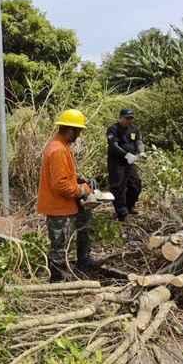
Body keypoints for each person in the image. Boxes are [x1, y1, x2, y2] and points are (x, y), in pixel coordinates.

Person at [37, 109, 97, 282]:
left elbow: (63, 176)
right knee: (59, 248)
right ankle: (57, 282)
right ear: (70, 130)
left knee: (64, 243)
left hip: (62, 205)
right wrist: (83, 190)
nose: (78, 135)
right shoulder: (59, 150)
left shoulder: (60, 146)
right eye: (78, 131)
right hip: (59, 207)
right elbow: (61, 185)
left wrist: (79, 180)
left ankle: (71, 270)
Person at [106, 109, 145, 221]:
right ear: (121, 118)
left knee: (135, 184)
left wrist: (141, 151)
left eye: (131, 118)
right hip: (116, 162)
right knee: (118, 187)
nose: (129, 120)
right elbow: (114, 145)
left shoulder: (134, 129)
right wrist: (126, 154)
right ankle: (121, 213)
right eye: (127, 118)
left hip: (130, 161)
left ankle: (130, 206)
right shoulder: (113, 129)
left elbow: (139, 141)